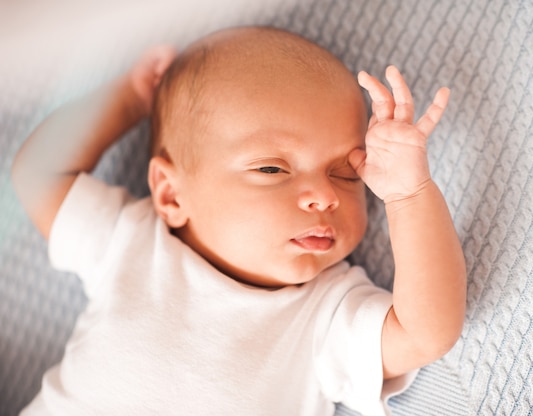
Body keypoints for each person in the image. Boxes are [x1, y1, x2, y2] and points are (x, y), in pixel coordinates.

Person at [12, 26, 466, 415]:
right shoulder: (131, 243)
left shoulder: (325, 314)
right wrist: (130, 99)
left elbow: (426, 333)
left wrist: (409, 195)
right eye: (272, 169)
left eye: (346, 174)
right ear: (171, 194)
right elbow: (37, 173)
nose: (324, 196)